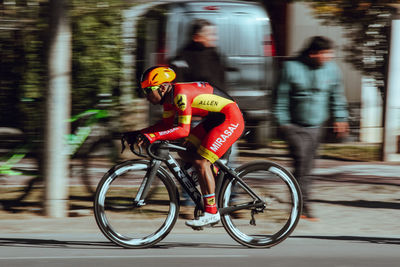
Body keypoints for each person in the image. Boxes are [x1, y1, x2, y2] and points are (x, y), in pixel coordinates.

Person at [123, 66, 244, 228]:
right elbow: (164, 125)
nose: (146, 96)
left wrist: (152, 136)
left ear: (163, 87)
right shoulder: (168, 100)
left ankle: (211, 212)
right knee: (186, 153)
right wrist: (139, 133)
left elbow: (183, 130)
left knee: (201, 162)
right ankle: (213, 179)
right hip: (214, 119)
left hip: (230, 119)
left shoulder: (180, 95)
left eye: (148, 90)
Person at [273, 36, 349, 221]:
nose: (329, 57)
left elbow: (336, 96)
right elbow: (280, 97)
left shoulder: (332, 70)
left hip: (316, 126)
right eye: (325, 53)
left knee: (307, 167)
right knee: (300, 163)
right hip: (294, 126)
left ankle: (302, 207)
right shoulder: (291, 67)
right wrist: (283, 123)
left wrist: (340, 117)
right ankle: (300, 207)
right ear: (313, 53)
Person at [169, 18, 228, 93]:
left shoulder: (215, 55)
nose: (215, 38)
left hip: (216, 102)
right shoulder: (182, 57)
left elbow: (222, 84)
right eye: (210, 34)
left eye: (215, 34)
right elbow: (178, 87)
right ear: (196, 37)